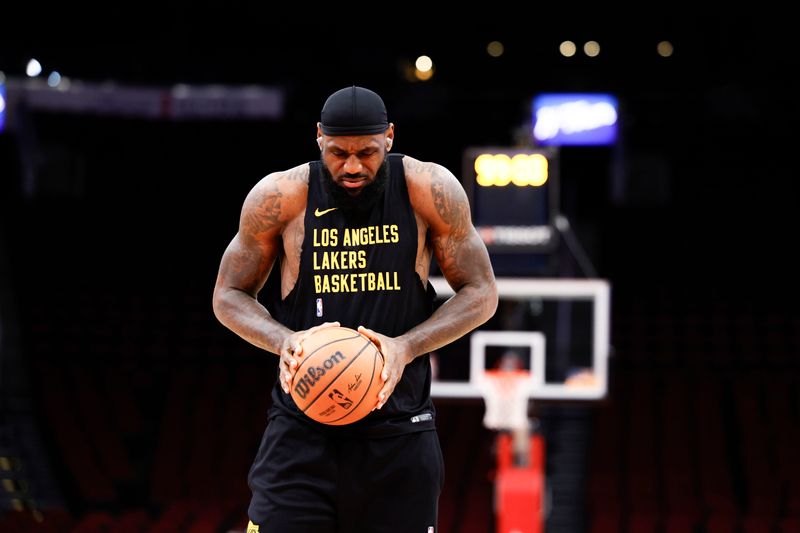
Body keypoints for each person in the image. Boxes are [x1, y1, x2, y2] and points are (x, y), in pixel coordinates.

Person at [212, 85, 498, 533]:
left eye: (366, 152)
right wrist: (285, 341)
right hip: (301, 433)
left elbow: (481, 292)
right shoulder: (282, 196)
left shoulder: (429, 188)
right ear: (318, 138)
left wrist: (406, 347)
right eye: (337, 152)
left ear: (389, 136)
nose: (351, 166)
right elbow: (228, 294)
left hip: (399, 434)